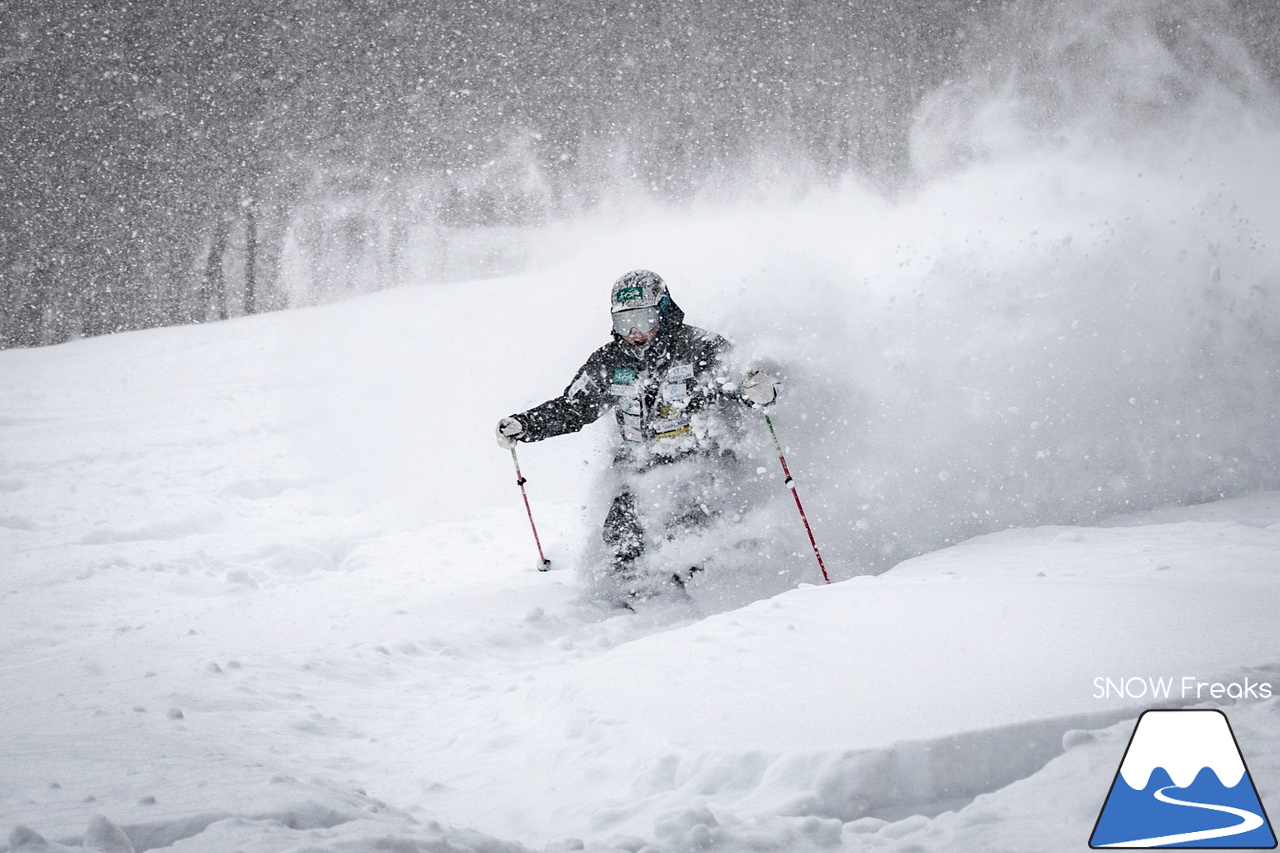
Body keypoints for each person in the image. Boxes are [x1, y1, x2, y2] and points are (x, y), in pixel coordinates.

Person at [496, 269, 777, 600]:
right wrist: (527, 424)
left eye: (643, 319)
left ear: (664, 310)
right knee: (620, 533)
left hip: (702, 465)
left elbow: (742, 385)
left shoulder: (701, 348)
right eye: (623, 322)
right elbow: (574, 408)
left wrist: (761, 391)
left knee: (687, 534)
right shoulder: (610, 361)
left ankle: (705, 606)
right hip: (642, 469)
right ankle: (636, 606)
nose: (634, 332)